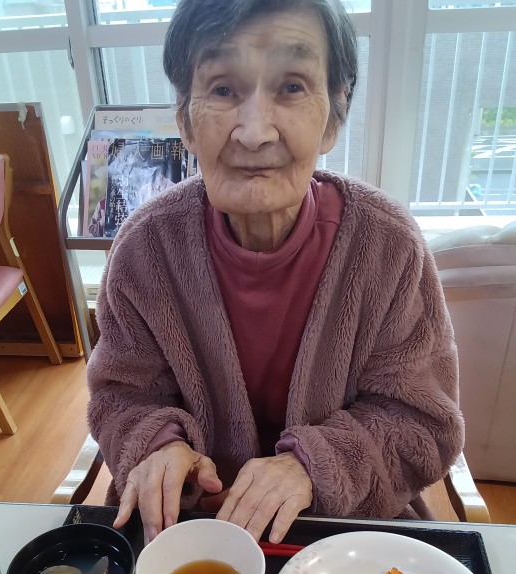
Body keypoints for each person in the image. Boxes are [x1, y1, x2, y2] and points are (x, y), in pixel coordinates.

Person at [87, 0, 464, 545]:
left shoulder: (387, 248)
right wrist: (155, 445)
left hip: (338, 533)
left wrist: (315, 465)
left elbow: (422, 421)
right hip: (192, 533)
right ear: (185, 120)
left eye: (291, 87)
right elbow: (121, 396)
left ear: (335, 115)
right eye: (222, 89)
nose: (255, 132)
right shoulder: (145, 251)